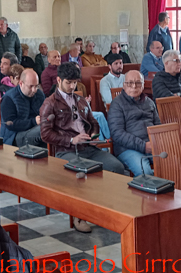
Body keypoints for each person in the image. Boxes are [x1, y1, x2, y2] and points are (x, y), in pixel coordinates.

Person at [40, 62, 125, 231]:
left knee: (116, 167)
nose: (72, 86)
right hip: (66, 151)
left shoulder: (80, 100)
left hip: (88, 147)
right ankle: (81, 216)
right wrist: (72, 140)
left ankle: (108, 209)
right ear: (58, 80)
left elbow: (94, 123)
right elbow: (45, 134)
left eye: (75, 83)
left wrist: (93, 135)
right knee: (83, 172)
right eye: (68, 82)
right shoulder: (50, 103)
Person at [107, 71, 159, 176]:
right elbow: (117, 134)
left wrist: (158, 142)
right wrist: (143, 146)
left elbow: (158, 125)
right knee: (145, 172)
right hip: (127, 148)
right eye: (130, 83)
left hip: (152, 145)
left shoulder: (149, 102)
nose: (134, 86)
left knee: (173, 162)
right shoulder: (117, 104)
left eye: (138, 83)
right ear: (124, 85)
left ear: (143, 85)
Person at [0, 68, 45, 147]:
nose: (34, 90)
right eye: (31, 86)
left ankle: (58, 153)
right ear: (21, 83)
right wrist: (34, 121)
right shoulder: (9, 98)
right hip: (14, 135)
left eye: (36, 86)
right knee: (43, 131)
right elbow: (10, 124)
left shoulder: (39, 94)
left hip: (35, 128)